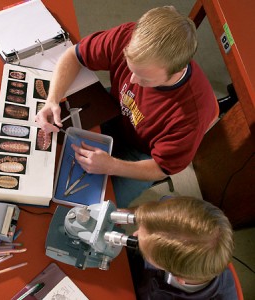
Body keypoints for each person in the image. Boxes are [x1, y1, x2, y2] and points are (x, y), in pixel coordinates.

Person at [35, 6, 218, 208]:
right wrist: (52, 100)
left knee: (89, 208)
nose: (132, 80)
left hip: (141, 153)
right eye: (131, 68)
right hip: (113, 108)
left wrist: (112, 165)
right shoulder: (130, 37)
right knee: (46, 164)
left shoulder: (191, 114)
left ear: (178, 72)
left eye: (145, 78)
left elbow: (162, 167)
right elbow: (74, 56)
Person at [128, 196, 237, 299]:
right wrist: (129, 215)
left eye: (146, 252)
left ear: (178, 278)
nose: (135, 234)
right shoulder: (175, 212)